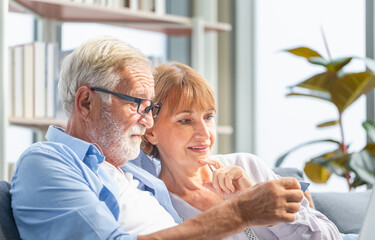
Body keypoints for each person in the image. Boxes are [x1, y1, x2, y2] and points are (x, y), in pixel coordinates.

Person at [10, 36, 304, 240]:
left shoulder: (132, 170)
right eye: (137, 103)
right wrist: (240, 213)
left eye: (150, 108)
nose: (147, 119)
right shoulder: (47, 162)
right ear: (86, 102)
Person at [141, 62, 342, 240]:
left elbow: (330, 237)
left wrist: (260, 202)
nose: (205, 133)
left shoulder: (247, 165)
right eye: (185, 120)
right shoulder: (156, 207)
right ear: (151, 132)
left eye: (209, 117)